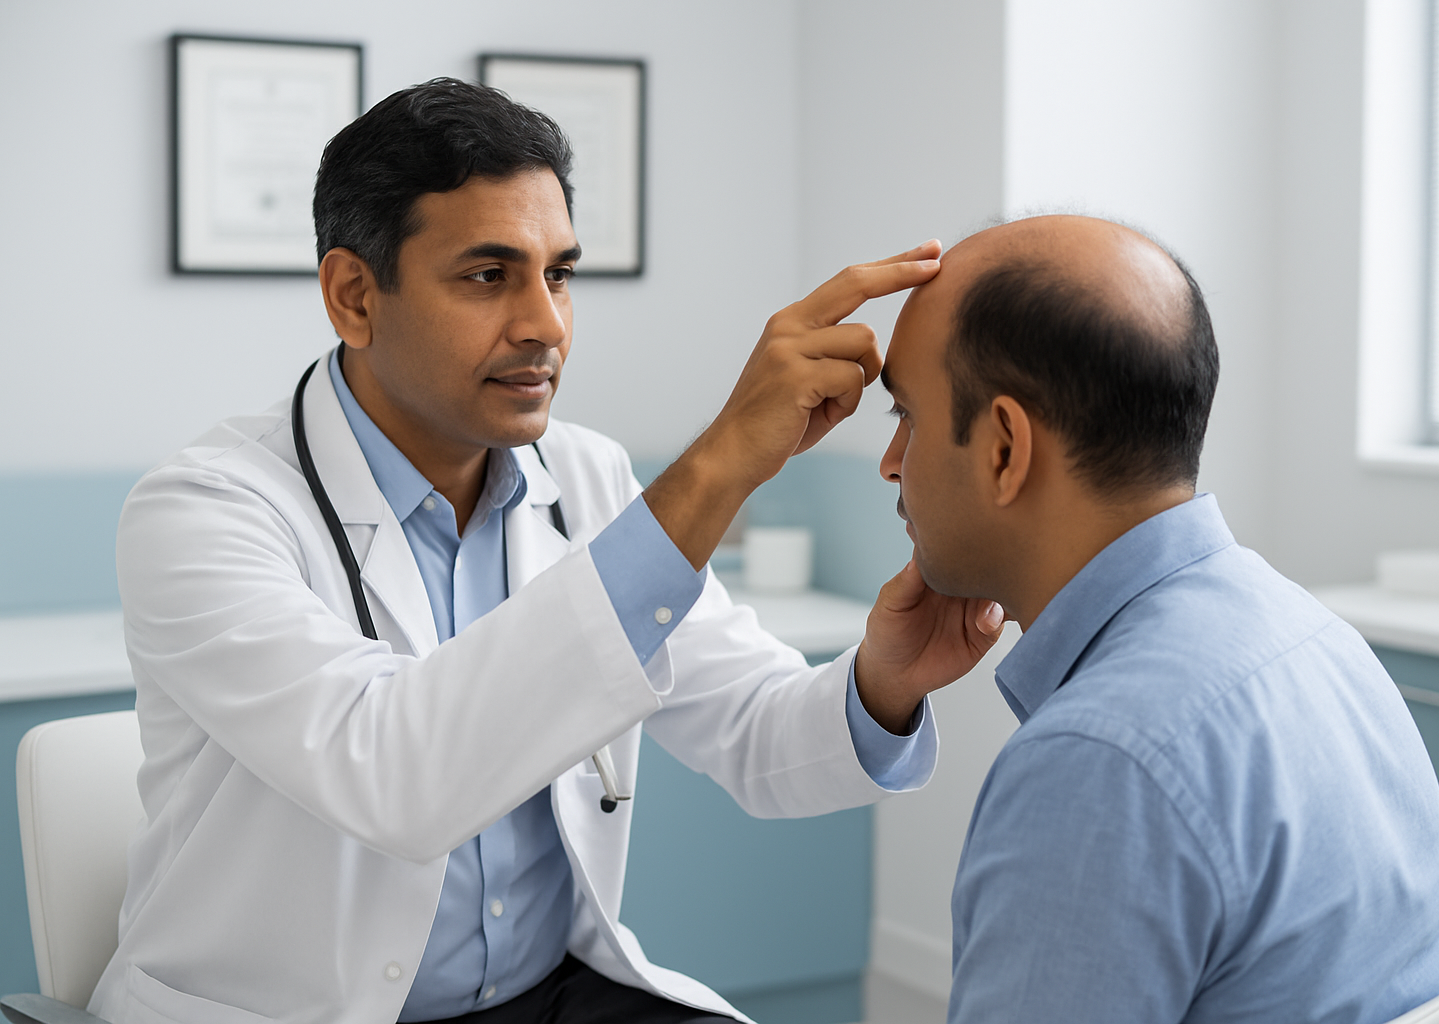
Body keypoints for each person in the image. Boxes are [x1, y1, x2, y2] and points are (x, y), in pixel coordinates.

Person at [93, 79, 1005, 1024]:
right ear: (354, 296)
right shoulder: (204, 511)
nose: (546, 325)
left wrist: (885, 680)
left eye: (558, 273)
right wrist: (722, 462)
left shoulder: (587, 477)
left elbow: (754, 729)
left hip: (552, 994)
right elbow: (394, 774)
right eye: (489, 276)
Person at [871, 214, 1439, 1023]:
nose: (890, 461)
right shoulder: (1320, 640)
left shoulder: (1101, 762)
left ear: (1005, 448)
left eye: (905, 415)